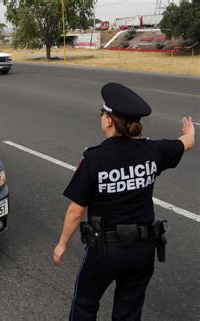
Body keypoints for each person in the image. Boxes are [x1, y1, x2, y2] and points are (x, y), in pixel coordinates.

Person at [53, 83, 195, 321]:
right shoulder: (153, 151)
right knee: (129, 310)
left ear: (108, 120)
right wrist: (190, 131)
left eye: (102, 114)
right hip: (143, 249)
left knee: (86, 303)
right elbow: (185, 143)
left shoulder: (94, 158)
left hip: (105, 251)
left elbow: (76, 210)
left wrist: (62, 244)